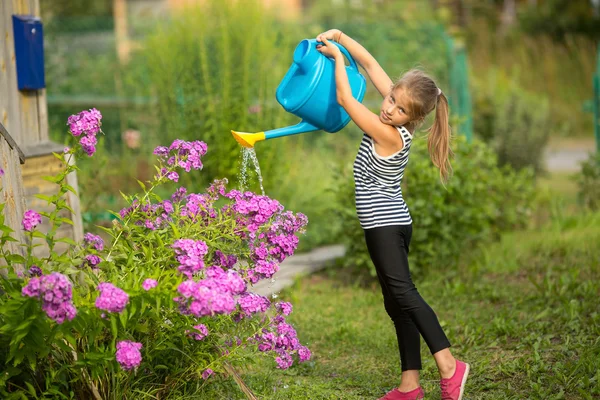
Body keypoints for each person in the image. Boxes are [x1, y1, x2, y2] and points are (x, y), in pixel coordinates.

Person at [316, 29, 469, 400]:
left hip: (385, 225)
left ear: (411, 118)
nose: (389, 108)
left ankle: (450, 365)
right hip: (390, 222)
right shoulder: (397, 115)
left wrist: (337, 59)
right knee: (394, 300)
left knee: (404, 294)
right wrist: (341, 37)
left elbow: (345, 99)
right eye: (390, 98)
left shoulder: (389, 133)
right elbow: (368, 64)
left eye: (400, 109)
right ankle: (409, 386)